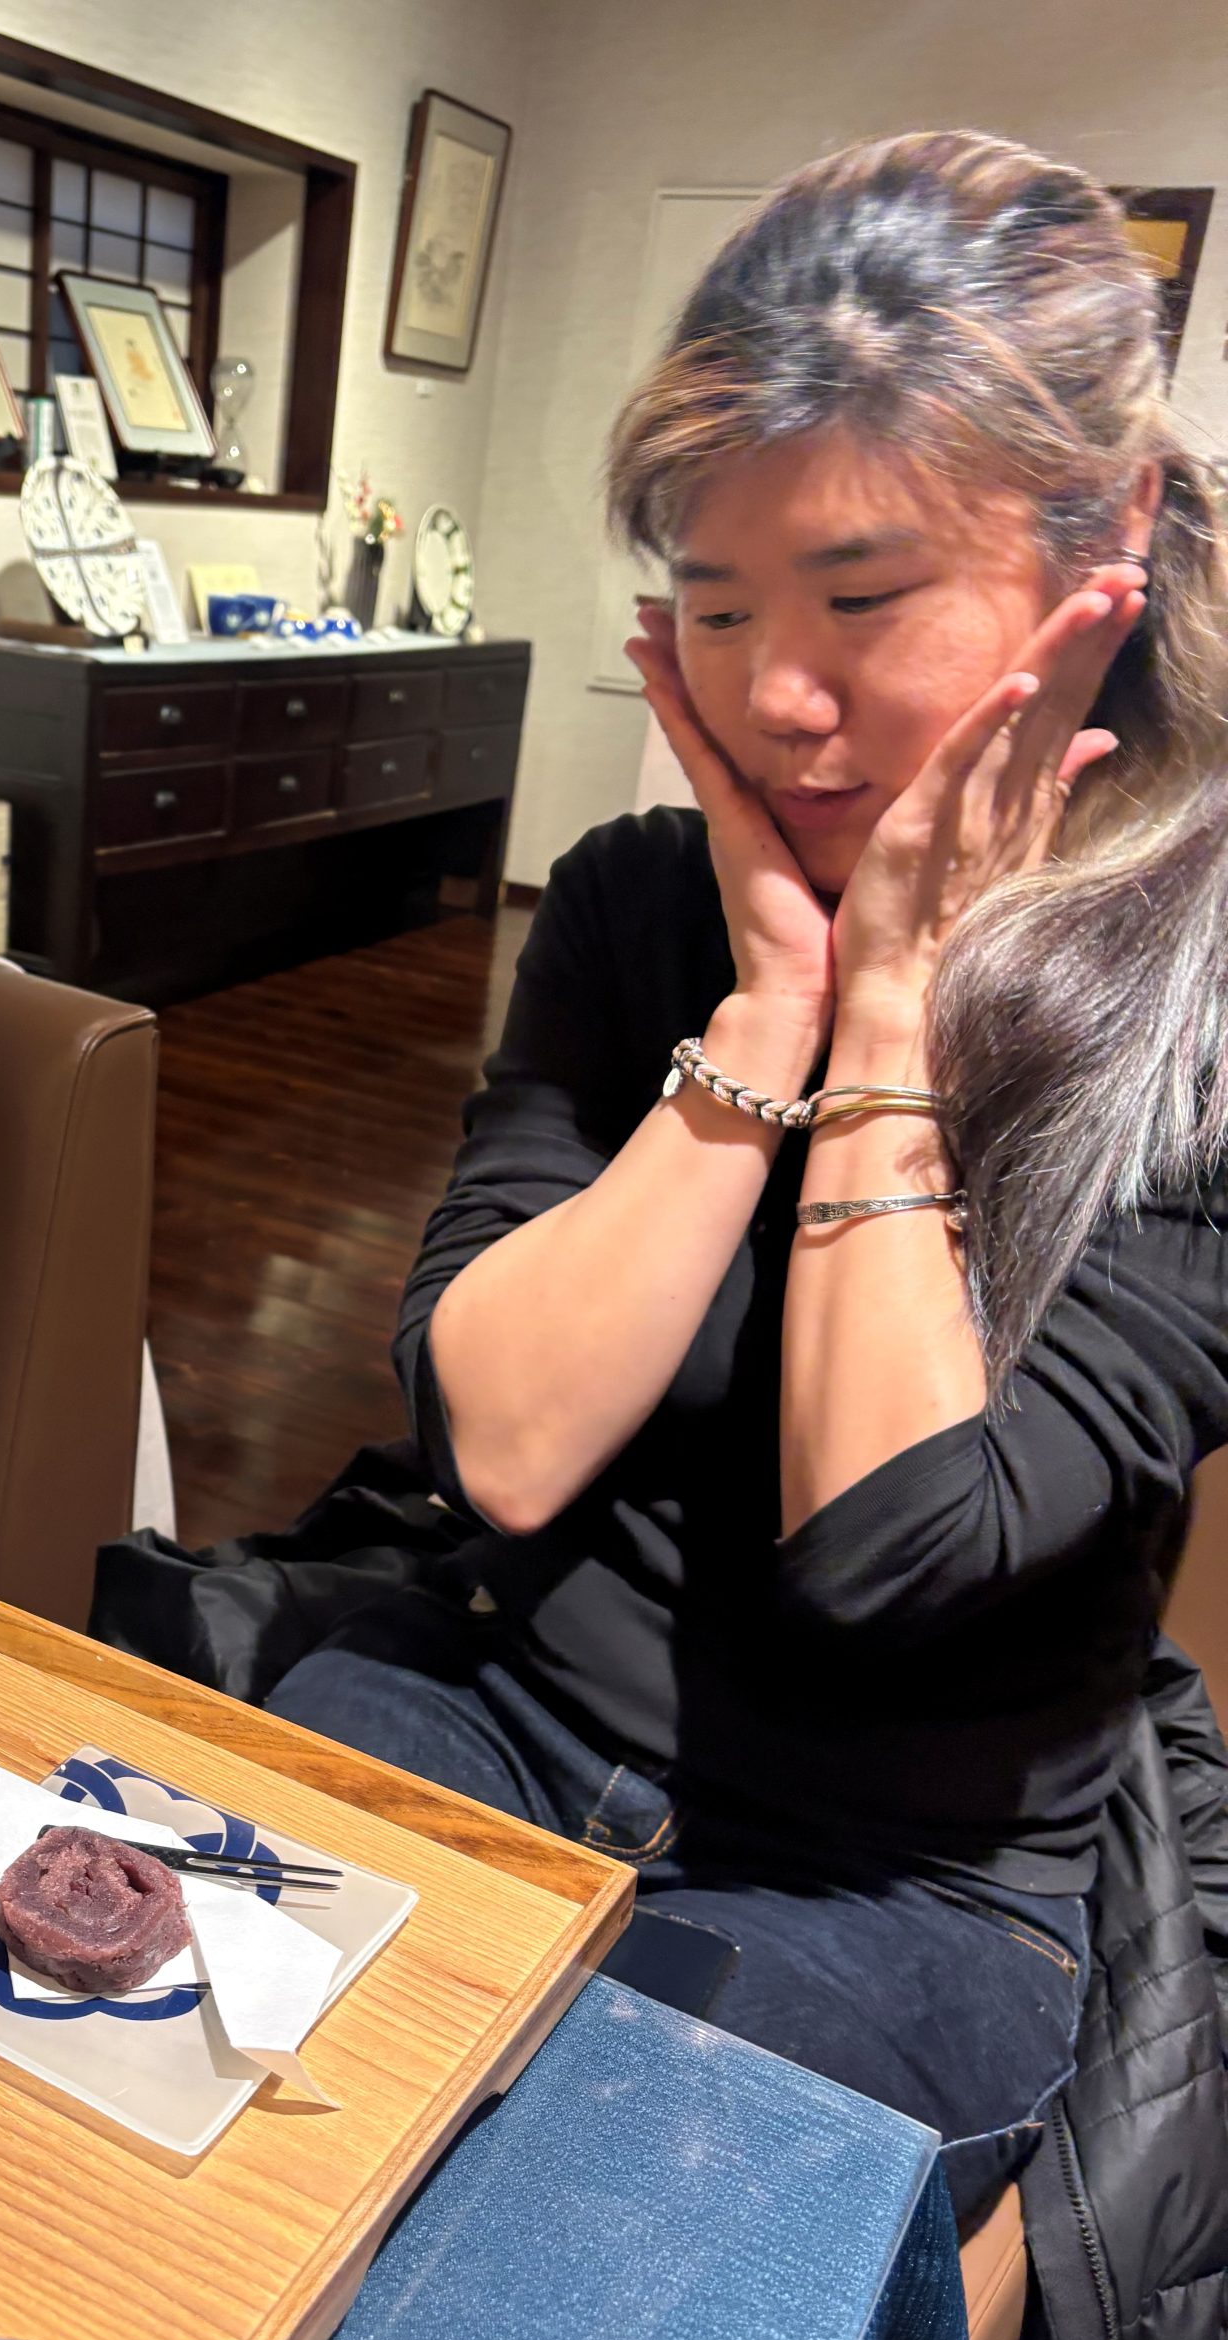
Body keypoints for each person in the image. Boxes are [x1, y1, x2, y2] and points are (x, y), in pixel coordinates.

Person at [248, 129, 1228, 2226]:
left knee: (579, 2271)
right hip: (496, 1712)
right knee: (158, 2094)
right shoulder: (633, 903)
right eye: (716, 609)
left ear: (1113, 536)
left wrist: (894, 1017)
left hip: (898, 1881)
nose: (779, 698)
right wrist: (773, 1009)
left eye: (863, 600)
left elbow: (893, 1549)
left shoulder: (1198, 997)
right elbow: (502, 1449)